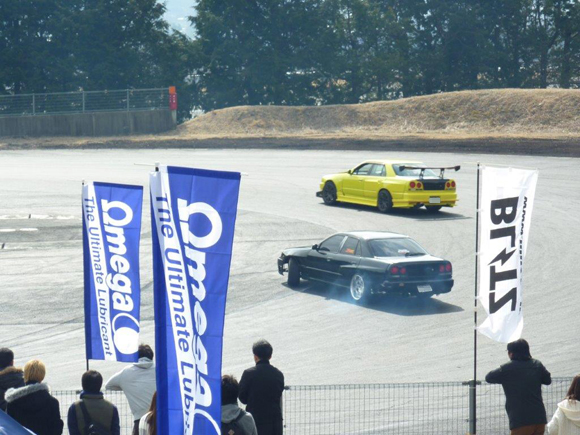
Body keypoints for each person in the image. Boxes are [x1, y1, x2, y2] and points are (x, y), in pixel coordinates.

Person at [486, 338, 552, 435]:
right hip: (539, 418)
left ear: (511, 353)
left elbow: (489, 377)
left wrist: (506, 379)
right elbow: (547, 380)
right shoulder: (537, 365)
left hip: (520, 420)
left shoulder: (506, 368)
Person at [105, 344, 156, 435]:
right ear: (151, 357)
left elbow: (108, 385)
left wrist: (126, 386)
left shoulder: (126, 372)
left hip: (139, 420)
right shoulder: (160, 370)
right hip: (158, 419)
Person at [5, 359, 63, 435]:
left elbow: (9, 429)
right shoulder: (52, 402)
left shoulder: (13, 403)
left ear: (25, 374)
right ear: (42, 375)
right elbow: (56, 429)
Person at [239, 340, 285, 435]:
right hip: (275, 421)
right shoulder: (278, 374)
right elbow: (278, 393)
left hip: (255, 420)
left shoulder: (248, 374)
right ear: (270, 356)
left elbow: (242, 398)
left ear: (255, 356)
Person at [67, 370, 120, 435]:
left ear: (83, 384)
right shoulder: (112, 408)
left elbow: (73, 431)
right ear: (100, 385)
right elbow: (116, 432)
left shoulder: (75, 408)